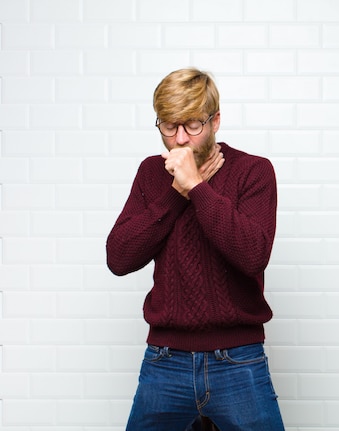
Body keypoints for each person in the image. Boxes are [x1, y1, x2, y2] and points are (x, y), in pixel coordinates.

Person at [106, 68, 284, 431]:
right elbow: (119, 258)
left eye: (192, 126)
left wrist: (200, 189)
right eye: (169, 127)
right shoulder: (150, 174)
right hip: (165, 360)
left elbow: (253, 255)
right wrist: (177, 192)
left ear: (215, 120)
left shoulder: (254, 171)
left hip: (237, 359)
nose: (180, 140)